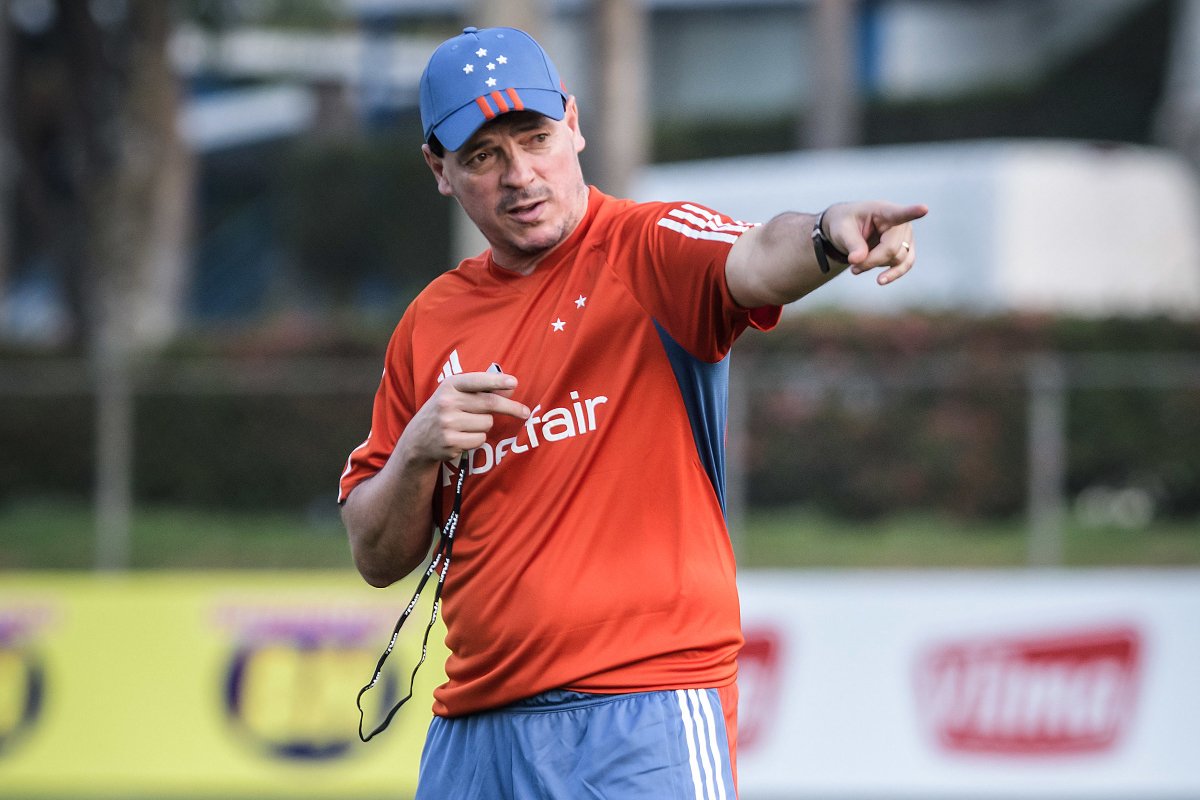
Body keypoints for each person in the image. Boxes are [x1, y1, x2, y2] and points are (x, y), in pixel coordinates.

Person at [339, 24, 927, 799]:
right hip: (475, 734)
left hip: (642, 711)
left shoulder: (647, 248)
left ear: (574, 126)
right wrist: (417, 450)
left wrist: (826, 233)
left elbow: (753, 256)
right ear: (438, 170)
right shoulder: (430, 321)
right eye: (484, 155)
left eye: (535, 138)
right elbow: (376, 556)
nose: (521, 174)